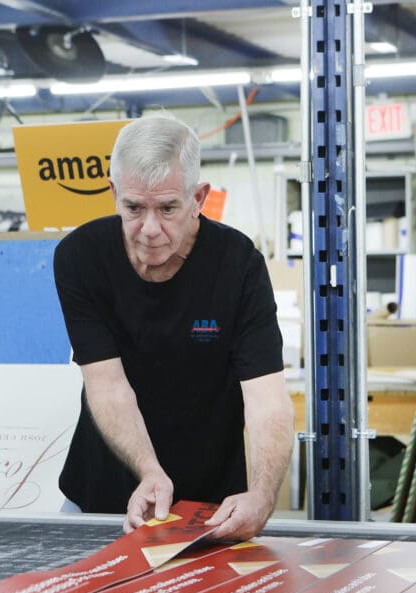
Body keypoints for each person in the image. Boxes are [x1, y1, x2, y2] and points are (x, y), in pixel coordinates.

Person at [52, 112, 295, 542]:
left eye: (167, 208)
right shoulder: (81, 258)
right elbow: (107, 385)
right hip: (98, 501)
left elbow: (266, 400)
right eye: (133, 208)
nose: (149, 229)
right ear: (114, 193)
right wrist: (149, 471)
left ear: (198, 197)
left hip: (212, 512)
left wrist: (261, 495)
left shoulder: (238, 265)